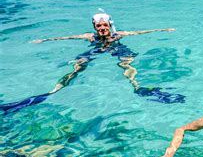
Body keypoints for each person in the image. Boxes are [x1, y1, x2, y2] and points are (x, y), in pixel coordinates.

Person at [0, 11, 184, 114]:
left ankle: (138, 88)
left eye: (105, 26)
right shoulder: (90, 37)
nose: (102, 28)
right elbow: (67, 37)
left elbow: (142, 32)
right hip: (96, 50)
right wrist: (45, 40)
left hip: (116, 49)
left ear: (110, 25)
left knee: (127, 65)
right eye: (99, 26)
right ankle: (52, 92)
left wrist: (164, 29)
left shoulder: (119, 35)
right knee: (78, 67)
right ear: (95, 27)